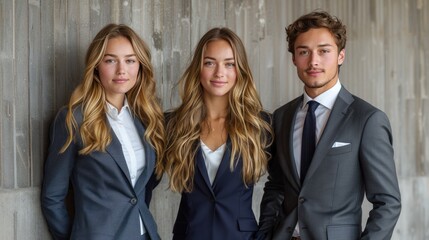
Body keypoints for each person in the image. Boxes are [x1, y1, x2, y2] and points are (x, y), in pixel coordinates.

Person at [258, 11, 401, 240]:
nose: (313, 61)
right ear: (294, 58)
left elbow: (388, 202)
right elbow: (276, 185)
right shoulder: (281, 117)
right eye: (304, 51)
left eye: (324, 51)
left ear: (341, 56)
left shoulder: (367, 120)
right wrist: (264, 233)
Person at [41, 24, 164, 240]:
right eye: (110, 60)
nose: (121, 70)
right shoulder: (74, 119)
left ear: (140, 66)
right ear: (96, 65)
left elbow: (142, 188)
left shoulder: (146, 118)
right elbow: (53, 196)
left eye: (130, 60)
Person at [158, 27, 272, 240]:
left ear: (240, 70)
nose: (220, 73)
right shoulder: (172, 124)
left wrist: (265, 233)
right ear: (198, 68)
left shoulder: (260, 125)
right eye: (210, 63)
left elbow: (280, 186)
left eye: (229, 64)